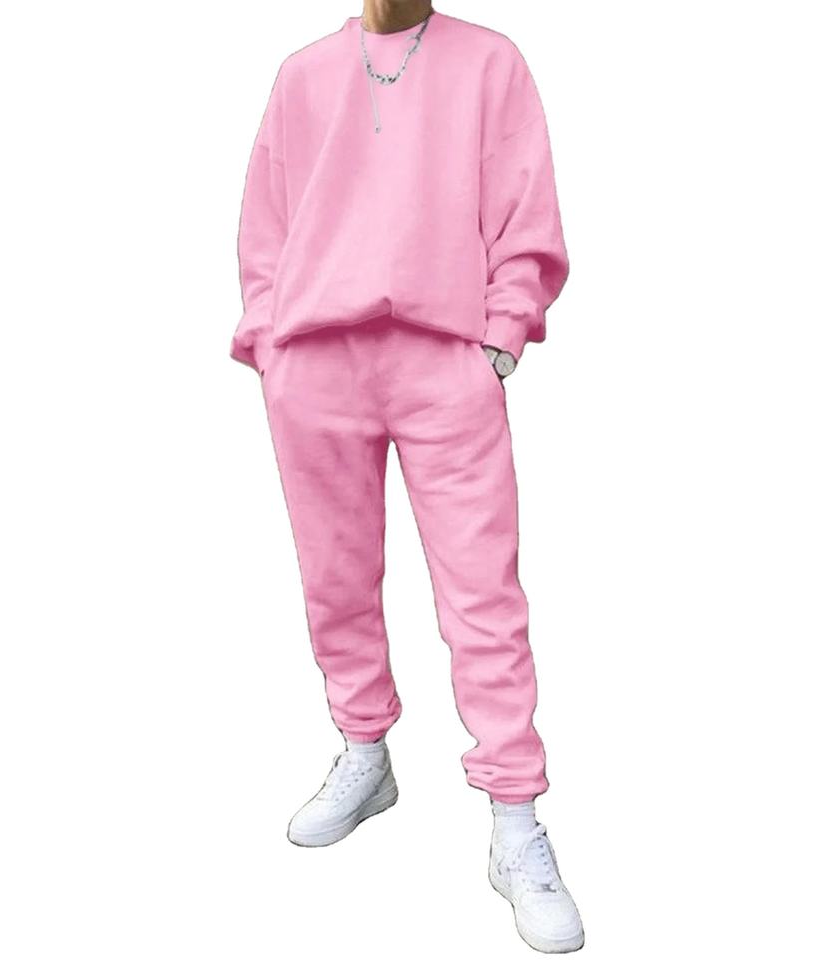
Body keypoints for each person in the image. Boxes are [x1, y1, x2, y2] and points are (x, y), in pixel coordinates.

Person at [231, 2, 583, 952]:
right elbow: (265, 222)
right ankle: (363, 748)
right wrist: (269, 341)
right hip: (316, 361)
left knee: (482, 594)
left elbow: (526, 204)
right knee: (335, 580)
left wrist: (502, 335)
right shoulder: (303, 73)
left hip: (443, 358)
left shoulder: (490, 62)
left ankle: (515, 820)